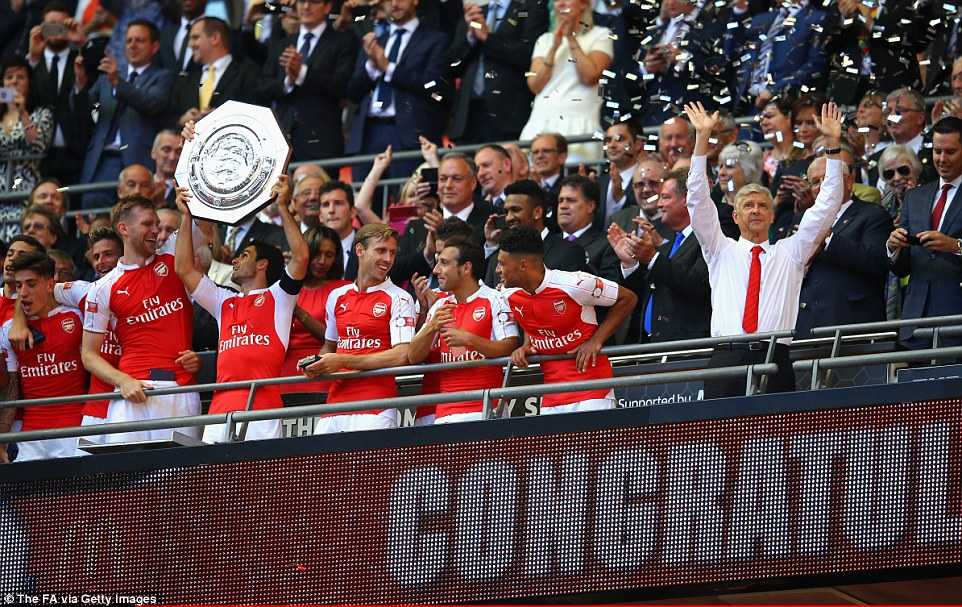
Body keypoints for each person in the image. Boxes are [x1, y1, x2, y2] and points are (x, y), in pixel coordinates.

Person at [684, 100, 844, 398]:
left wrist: (833, 146)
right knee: (720, 430)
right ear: (735, 216)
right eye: (748, 206)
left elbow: (827, 206)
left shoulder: (791, 252)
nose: (755, 210)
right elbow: (697, 202)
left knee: (774, 430)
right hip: (727, 358)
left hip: (775, 357)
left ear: (772, 215)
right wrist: (702, 139)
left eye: (762, 206)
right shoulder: (720, 250)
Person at [174, 175, 308, 443]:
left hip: (262, 409)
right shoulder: (224, 301)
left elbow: (301, 256)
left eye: (244, 255)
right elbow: (184, 269)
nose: (235, 260)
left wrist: (283, 207)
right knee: (213, 472)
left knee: (257, 471)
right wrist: (186, 217)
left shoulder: (279, 296)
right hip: (219, 409)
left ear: (262, 264)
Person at [81, 195, 205, 443]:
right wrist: (123, 380)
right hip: (131, 391)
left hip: (180, 388)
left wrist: (188, 207)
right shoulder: (102, 288)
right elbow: (89, 354)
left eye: (157, 224)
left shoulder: (173, 255)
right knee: (125, 467)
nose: (156, 230)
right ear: (124, 229)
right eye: (147, 224)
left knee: (181, 468)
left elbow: (205, 224)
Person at [498, 226, 636, 414]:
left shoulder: (575, 284)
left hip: (592, 390)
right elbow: (531, 316)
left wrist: (596, 340)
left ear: (523, 265)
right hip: (551, 395)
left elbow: (628, 298)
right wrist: (526, 345)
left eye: (502, 264)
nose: (497, 270)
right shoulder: (507, 293)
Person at [302, 223, 416, 433]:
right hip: (334, 404)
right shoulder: (337, 296)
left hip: (376, 405)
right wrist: (316, 363)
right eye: (381, 250)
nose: (388, 259)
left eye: (392, 253)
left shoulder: (400, 297)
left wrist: (343, 361)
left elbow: (403, 354)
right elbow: (329, 346)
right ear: (360, 250)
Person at [407, 238, 518, 423]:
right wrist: (431, 327)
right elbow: (413, 356)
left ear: (466, 268)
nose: (435, 270)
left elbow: (510, 346)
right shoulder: (440, 306)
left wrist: (469, 339)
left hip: (485, 408)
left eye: (444, 263)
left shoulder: (494, 299)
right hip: (444, 412)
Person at [75, 19, 175, 210]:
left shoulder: (163, 76)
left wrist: (117, 82)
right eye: (129, 40)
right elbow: (84, 109)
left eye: (139, 40)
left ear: (155, 47)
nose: (133, 45)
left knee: (136, 212)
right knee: (92, 205)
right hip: (103, 159)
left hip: (138, 158)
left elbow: (151, 104)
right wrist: (81, 83)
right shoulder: (108, 76)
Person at [345, 0, 450, 182]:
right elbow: (352, 92)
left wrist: (388, 68)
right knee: (363, 196)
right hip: (367, 134)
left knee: (406, 196)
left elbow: (434, 86)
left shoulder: (435, 39)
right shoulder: (375, 41)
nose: (394, 4)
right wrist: (372, 66)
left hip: (409, 135)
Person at [794, 155, 893, 338]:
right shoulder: (802, 219)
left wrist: (828, 239)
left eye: (827, 178)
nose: (822, 186)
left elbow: (877, 261)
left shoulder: (873, 215)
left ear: (848, 182)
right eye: (815, 182)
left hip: (851, 324)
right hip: (806, 326)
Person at [0, 252, 86, 461]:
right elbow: (12, 389)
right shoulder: (9, 330)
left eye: (31, 284)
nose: (23, 293)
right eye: (19, 286)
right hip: (31, 434)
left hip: (75, 428)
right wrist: (2, 439)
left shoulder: (77, 316)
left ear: (50, 285)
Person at [609, 168, 711, 342]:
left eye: (665, 197)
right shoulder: (666, 239)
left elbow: (698, 284)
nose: (659, 204)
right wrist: (629, 263)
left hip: (687, 346)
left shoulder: (707, 239)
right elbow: (645, 290)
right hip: (651, 344)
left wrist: (652, 258)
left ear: (687, 199)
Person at [887, 117, 962, 349]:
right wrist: (894, 247)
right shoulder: (915, 197)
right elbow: (903, 269)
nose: (942, 159)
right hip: (916, 319)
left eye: (950, 152)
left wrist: (955, 246)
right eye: (937, 151)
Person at [260, 0, 358, 162]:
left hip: (322, 141)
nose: (306, 6)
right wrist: (288, 82)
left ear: (327, 6)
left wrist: (302, 73)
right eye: (301, 1)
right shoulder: (282, 44)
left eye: (313, 1)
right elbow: (262, 86)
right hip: (282, 141)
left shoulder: (343, 41)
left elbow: (342, 86)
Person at [519, 0, 611, 161]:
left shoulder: (601, 35)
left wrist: (570, 38)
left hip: (579, 123)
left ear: (583, 4)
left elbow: (589, 76)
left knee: (577, 174)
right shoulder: (545, 39)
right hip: (539, 123)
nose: (560, 3)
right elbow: (534, 85)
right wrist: (554, 46)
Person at [447, 0, 548, 143]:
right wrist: (470, 38)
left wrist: (488, 38)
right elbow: (452, 66)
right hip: (467, 115)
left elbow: (528, 55)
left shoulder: (530, 9)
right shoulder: (475, 14)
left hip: (507, 114)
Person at [392, 153, 492, 285]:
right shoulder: (419, 224)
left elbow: (486, 267)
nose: (448, 185)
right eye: (443, 179)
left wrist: (447, 235)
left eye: (456, 179)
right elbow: (394, 272)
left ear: (473, 183)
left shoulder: (489, 218)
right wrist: (427, 254)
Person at [279, 226, 351, 405]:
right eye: (317, 254)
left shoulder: (344, 289)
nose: (322, 261)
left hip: (325, 373)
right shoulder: (284, 289)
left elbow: (341, 338)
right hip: (285, 374)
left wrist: (299, 313)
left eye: (329, 255)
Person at [635, 0, 735, 127]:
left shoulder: (714, 25)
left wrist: (682, 59)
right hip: (653, 118)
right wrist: (647, 69)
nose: (670, 2)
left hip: (694, 116)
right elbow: (632, 80)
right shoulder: (654, 31)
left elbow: (722, 70)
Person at [483, 179, 589, 286]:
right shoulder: (496, 259)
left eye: (516, 210)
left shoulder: (568, 253)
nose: (509, 218)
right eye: (506, 212)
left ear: (537, 212)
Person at [731, 0, 828, 112]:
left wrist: (774, 90)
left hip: (784, 104)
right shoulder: (762, 19)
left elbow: (816, 64)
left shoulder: (818, 18)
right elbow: (733, 50)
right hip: (744, 104)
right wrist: (740, 9)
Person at [27, 2, 85, 186]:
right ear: (41, 28)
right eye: (51, 25)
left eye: (62, 25)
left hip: (76, 152)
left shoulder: (81, 59)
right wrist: (33, 58)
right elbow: (22, 98)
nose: (56, 30)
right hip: (38, 154)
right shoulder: (31, 62)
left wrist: (81, 43)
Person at [168, 17, 262, 127]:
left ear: (215, 38)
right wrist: (182, 120)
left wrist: (223, 117)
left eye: (195, 37)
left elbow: (256, 113)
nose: (190, 45)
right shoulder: (186, 77)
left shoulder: (248, 72)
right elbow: (168, 119)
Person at [0, 55, 53, 238]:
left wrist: (22, 112)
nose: (14, 81)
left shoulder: (40, 114)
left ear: (29, 83)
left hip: (25, 192)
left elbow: (38, 146)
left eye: (20, 77)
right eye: (9, 77)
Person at [555, 175, 620, 282]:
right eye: (560, 200)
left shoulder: (607, 245)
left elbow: (609, 286)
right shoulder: (547, 243)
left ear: (590, 206)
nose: (563, 206)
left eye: (571, 200)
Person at [596, 120, 641, 226]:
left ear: (637, 144)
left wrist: (620, 200)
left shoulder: (647, 180)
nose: (612, 145)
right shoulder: (598, 183)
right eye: (608, 140)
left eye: (619, 139)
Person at [318, 181, 360, 279]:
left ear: (352, 212)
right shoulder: (311, 248)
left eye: (338, 203)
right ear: (320, 216)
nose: (331, 210)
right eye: (326, 204)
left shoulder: (368, 245)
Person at [529, 132, 567, 229]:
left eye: (546, 151)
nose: (540, 156)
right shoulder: (528, 188)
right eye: (535, 152)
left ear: (562, 157)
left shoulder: (569, 187)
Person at [150, 129, 182, 208]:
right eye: (166, 150)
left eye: (178, 152)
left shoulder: (186, 190)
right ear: (153, 152)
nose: (172, 157)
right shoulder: (140, 185)